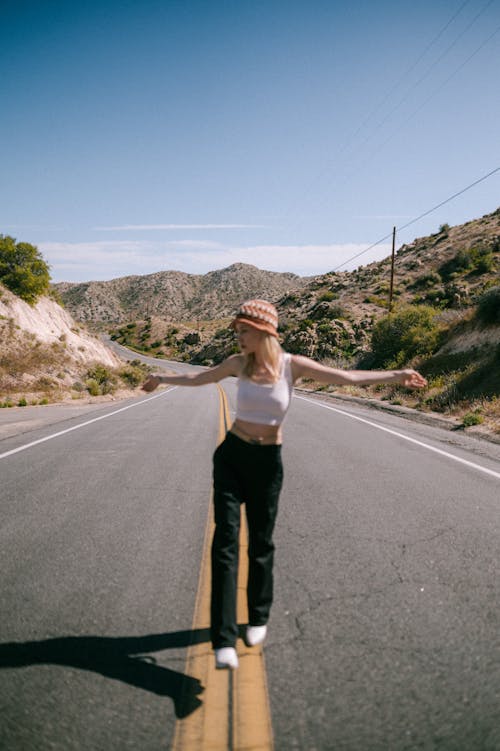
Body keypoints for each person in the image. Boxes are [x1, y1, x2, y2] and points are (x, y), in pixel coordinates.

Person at [142, 299, 427, 670]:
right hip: (232, 457)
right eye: (237, 330)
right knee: (225, 542)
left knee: (261, 542)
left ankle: (258, 616)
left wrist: (397, 375)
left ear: (263, 331)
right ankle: (223, 639)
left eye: (243, 330)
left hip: (267, 464)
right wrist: (161, 377)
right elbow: (200, 378)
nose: (238, 336)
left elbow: (349, 378)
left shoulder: (292, 366)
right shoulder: (238, 363)